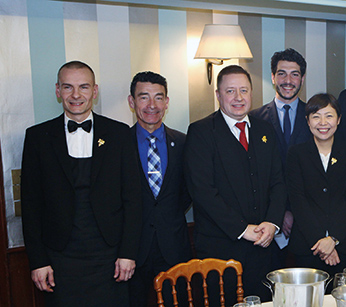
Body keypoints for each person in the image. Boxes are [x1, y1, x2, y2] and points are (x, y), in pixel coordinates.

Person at [21, 60, 141, 306]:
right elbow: (31, 205)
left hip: (110, 259)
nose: (76, 95)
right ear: (58, 91)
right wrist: (38, 260)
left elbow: (133, 199)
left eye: (84, 87)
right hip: (59, 260)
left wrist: (128, 253)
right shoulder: (37, 137)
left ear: (94, 91)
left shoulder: (119, 134)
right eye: (68, 87)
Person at [184, 65, 285, 305]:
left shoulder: (265, 130)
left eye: (244, 90)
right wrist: (242, 229)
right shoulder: (201, 132)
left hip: (264, 248)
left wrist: (272, 223)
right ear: (218, 95)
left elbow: (279, 182)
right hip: (221, 251)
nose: (238, 98)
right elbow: (202, 192)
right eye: (230, 91)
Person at [127, 71, 192, 307]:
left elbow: (187, 192)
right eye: (144, 97)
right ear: (132, 101)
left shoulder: (185, 142)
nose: (151, 105)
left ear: (167, 102)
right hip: (132, 251)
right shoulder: (119, 144)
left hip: (175, 247)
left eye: (158, 97)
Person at [285, 93, 346, 292]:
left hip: (344, 246)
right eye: (316, 116)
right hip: (307, 246)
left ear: (338, 119)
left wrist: (333, 239)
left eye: (329, 116)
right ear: (307, 121)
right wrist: (322, 243)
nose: (323, 122)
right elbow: (297, 201)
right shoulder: (296, 154)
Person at [249, 48, 312, 252]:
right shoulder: (253, 120)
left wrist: (293, 210)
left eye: (294, 74)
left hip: (307, 221)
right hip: (264, 224)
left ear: (302, 78)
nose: (288, 80)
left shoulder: (316, 118)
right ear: (273, 77)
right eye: (282, 73)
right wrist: (279, 213)